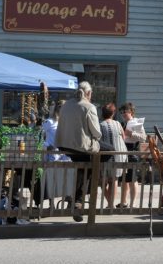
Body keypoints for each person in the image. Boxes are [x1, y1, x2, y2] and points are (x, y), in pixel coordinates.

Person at [55, 81, 113, 222]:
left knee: (83, 167)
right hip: (81, 147)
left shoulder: (66, 105)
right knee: (110, 150)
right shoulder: (89, 106)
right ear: (88, 93)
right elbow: (97, 133)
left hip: (64, 146)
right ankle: (88, 187)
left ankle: (77, 201)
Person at [99, 103, 127, 209]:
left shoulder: (100, 125)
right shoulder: (118, 124)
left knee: (102, 181)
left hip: (106, 155)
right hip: (119, 154)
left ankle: (110, 204)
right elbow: (123, 138)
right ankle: (111, 204)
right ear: (113, 113)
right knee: (114, 180)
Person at [117, 102, 146, 209]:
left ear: (131, 112)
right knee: (124, 179)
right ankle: (123, 202)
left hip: (133, 152)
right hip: (123, 152)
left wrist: (131, 134)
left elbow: (143, 137)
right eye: (122, 112)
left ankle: (133, 203)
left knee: (133, 179)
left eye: (126, 112)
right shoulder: (122, 123)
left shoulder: (136, 123)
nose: (123, 114)